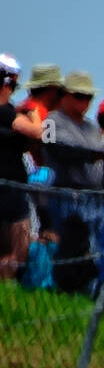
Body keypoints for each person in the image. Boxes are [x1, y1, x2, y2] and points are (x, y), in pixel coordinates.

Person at [44, 71, 104, 296]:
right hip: (68, 194)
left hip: (94, 198)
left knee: (93, 251)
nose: (85, 102)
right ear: (66, 95)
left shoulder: (91, 127)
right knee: (71, 247)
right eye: (79, 96)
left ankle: (86, 295)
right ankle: (62, 291)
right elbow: (60, 147)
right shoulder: (52, 120)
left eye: (88, 97)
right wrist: (99, 152)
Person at [0, 54, 33, 281]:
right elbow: (40, 133)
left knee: (14, 249)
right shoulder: (5, 112)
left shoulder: (10, 110)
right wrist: (35, 114)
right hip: (7, 188)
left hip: (14, 185)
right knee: (14, 249)